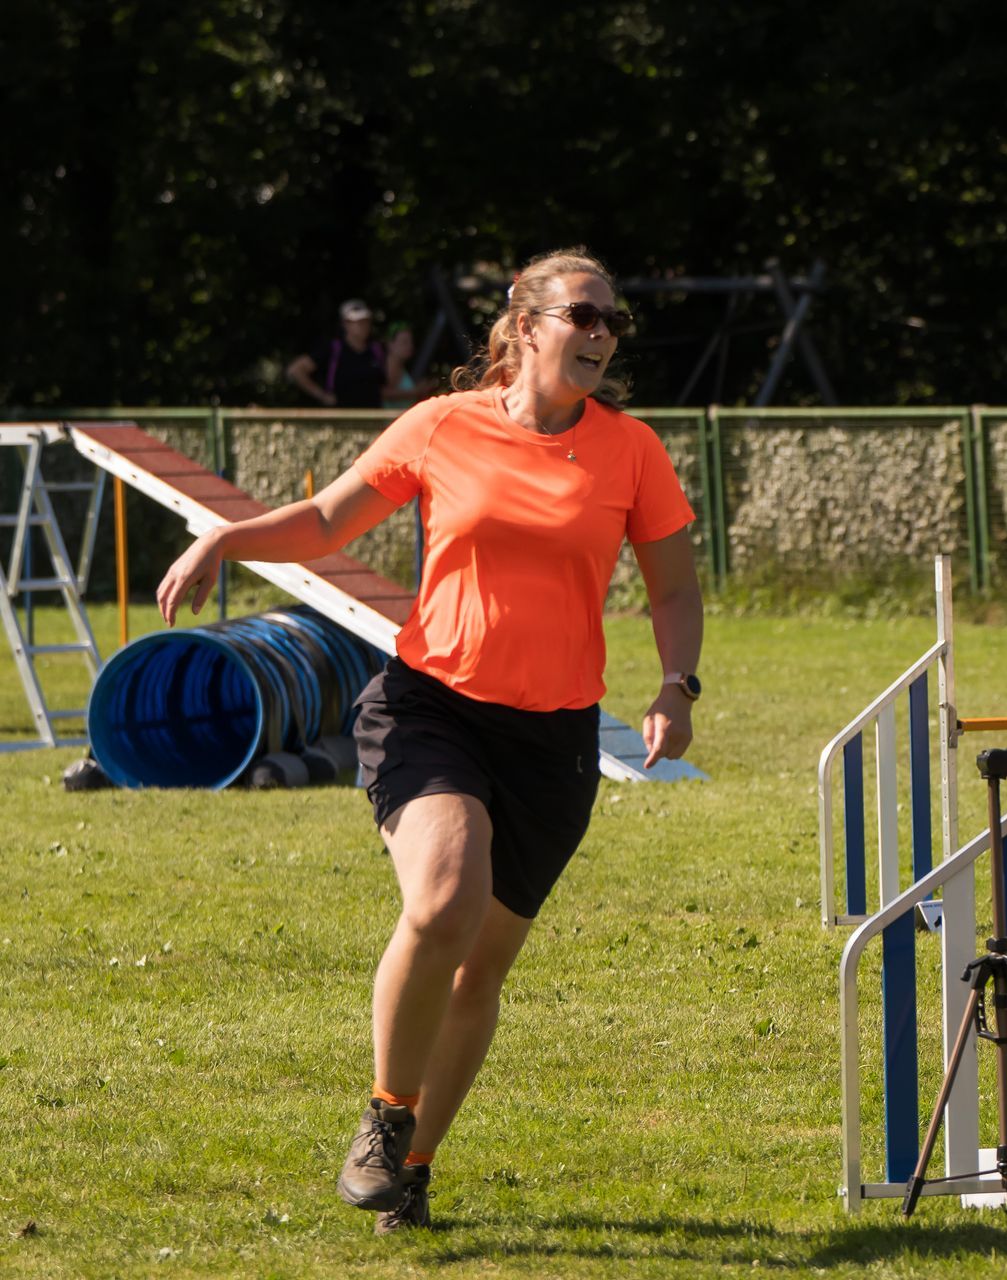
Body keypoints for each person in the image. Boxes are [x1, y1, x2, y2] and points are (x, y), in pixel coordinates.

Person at [157, 247, 702, 1234]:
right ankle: (385, 1113)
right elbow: (328, 520)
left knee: (478, 969)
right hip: (434, 706)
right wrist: (226, 537)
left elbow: (672, 587)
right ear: (527, 325)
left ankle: (411, 1167)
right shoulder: (443, 423)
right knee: (443, 897)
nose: (602, 335)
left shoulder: (632, 450)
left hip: (555, 740)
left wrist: (676, 683)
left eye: (614, 321)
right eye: (583, 315)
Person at [287, 299, 390, 409]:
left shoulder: (377, 350)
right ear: (345, 324)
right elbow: (296, 370)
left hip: (373, 415)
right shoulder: (333, 349)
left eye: (365, 321)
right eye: (356, 321)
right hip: (340, 415)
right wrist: (322, 396)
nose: (362, 326)